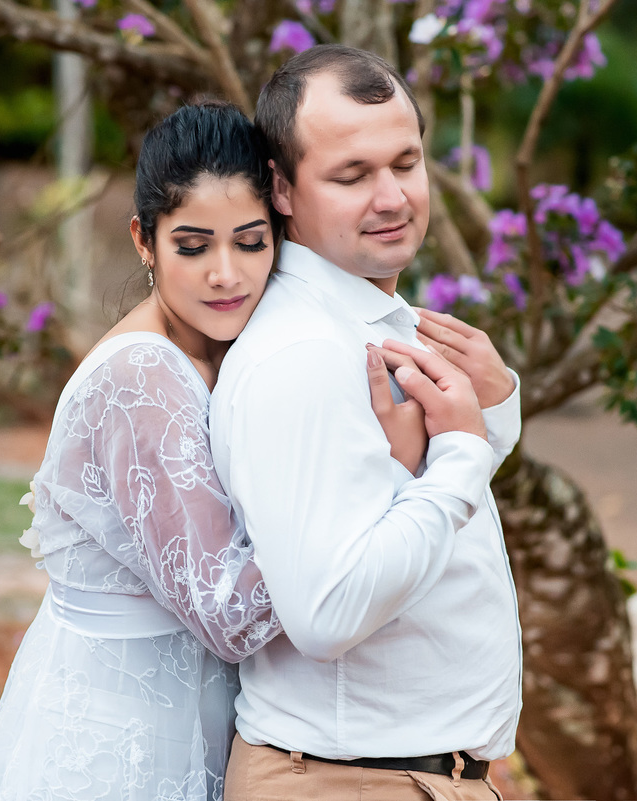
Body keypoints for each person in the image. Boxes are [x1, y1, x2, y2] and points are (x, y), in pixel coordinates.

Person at [0, 100, 413, 801]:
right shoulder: (140, 377)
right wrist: (386, 471)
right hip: (121, 745)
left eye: (249, 241)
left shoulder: (232, 351)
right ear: (143, 240)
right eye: (193, 244)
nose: (225, 273)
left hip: (195, 725)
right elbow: (229, 613)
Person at [209, 46, 522, 801]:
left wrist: (493, 409)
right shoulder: (306, 353)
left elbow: (425, 512)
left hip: (405, 777)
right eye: (352, 176)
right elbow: (326, 611)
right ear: (281, 188)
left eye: (405, 163)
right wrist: (458, 452)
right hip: (349, 781)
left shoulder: (375, 318)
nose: (393, 197)